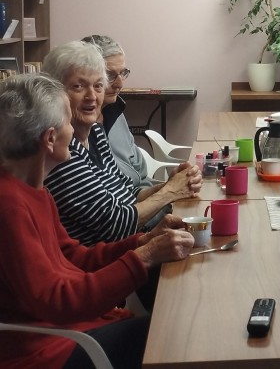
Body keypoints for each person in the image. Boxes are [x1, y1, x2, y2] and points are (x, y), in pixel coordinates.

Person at [0, 73, 194, 369]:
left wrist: (143, 241)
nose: (74, 131)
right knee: (176, 334)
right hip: (46, 350)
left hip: (69, 331)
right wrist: (144, 258)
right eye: (67, 121)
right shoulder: (9, 205)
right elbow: (58, 301)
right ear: (50, 138)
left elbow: (75, 259)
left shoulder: (36, 192)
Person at [41, 41, 201, 246]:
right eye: (79, 86)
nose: (92, 96)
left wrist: (171, 183)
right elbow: (116, 224)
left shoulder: (96, 134)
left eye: (98, 85)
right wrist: (170, 192)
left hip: (132, 247)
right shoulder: (61, 153)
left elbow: (129, 193)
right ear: (56, 94)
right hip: (108, 263)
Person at [81, 34, 154, 190]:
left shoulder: (116, 112)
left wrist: (163, 193)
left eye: (123, 73)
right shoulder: (78, 128)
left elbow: (141, 174)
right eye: (110, 75)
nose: (120, 84)